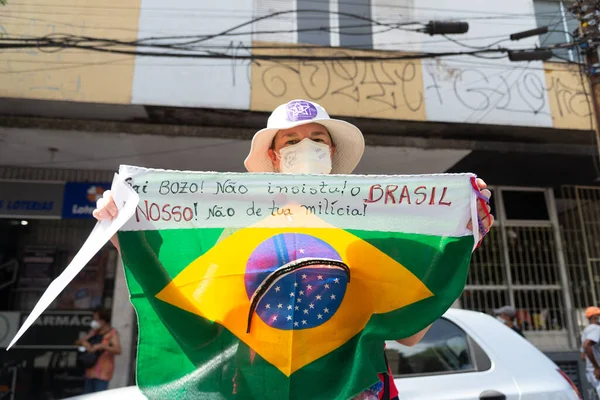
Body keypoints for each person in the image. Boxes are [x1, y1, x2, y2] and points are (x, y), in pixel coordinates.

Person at [93, 99, 494, 400]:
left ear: (332, 154)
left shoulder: (368, 230)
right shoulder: (237, 225)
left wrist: (462, 239)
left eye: (318, 140)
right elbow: (195, 298)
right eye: (292, 140)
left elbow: (410, 332)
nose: (306, 147)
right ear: (274, 155)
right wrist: (122, 229)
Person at [76, 306, 122, 393]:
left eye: (96, 319)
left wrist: (103, 346)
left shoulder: (112, 333)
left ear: (103, 321)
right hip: (90, 371)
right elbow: (79, 342)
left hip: (103, 373)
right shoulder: (94, 332)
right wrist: (84, 342)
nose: (94, 322)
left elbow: (118, 350)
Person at [582, 306, 600, 397]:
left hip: (591, 370)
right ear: (595, 317)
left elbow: (583, 353)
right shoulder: (596, 329)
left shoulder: (586, 330)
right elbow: (586, 345)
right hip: (597, 370)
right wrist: (596, 367)